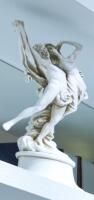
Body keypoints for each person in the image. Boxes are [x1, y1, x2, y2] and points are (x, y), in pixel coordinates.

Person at [2, 21, 87, 154]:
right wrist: (21, 30)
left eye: (48, 50)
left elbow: (78, 50)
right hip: (55, 87)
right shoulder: (44, 63)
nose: (45, 52)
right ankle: (13, 122)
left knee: (52, 122)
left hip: (65, 96)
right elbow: (26, 50)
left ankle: (39, 140)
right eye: (44, 51)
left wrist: (62, 43)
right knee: (39, 107)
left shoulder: (61, 64)